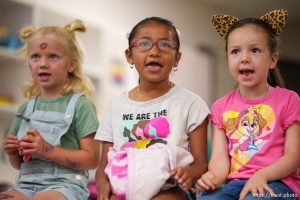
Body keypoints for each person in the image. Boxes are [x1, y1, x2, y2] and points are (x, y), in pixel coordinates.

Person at [94, 16, 210, 200]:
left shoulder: (192, 104)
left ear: (177, 58)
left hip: (170, 188)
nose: (154, 51)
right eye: (144, 43)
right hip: (124, 187)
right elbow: (104, 166)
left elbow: (201, 163)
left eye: (165, 45)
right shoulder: (115, 106)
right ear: (129, 56)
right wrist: (102, 185)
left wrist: (189, 173)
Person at [196, 9, 300, 200]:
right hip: (235, 183)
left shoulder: (289, 99)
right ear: (228, 59)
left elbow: (294, 156)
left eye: (255, 50)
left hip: (281, 184)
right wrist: (212, 177)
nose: (244, 58)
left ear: (272, 60)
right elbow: (220, 160)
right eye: (235, 51)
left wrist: (262, 175)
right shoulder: (220, 106)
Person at [1, 19, 100, 200]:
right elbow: (19, 164)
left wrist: (47, 150)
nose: (43, 64)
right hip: (25, 184)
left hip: (66, 186)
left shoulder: (81, 105)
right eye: (35, 57)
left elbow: (92, 159)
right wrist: (13, 152)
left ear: (72, 64)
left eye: (53, 57)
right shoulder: (25, 109)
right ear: (29, 64)